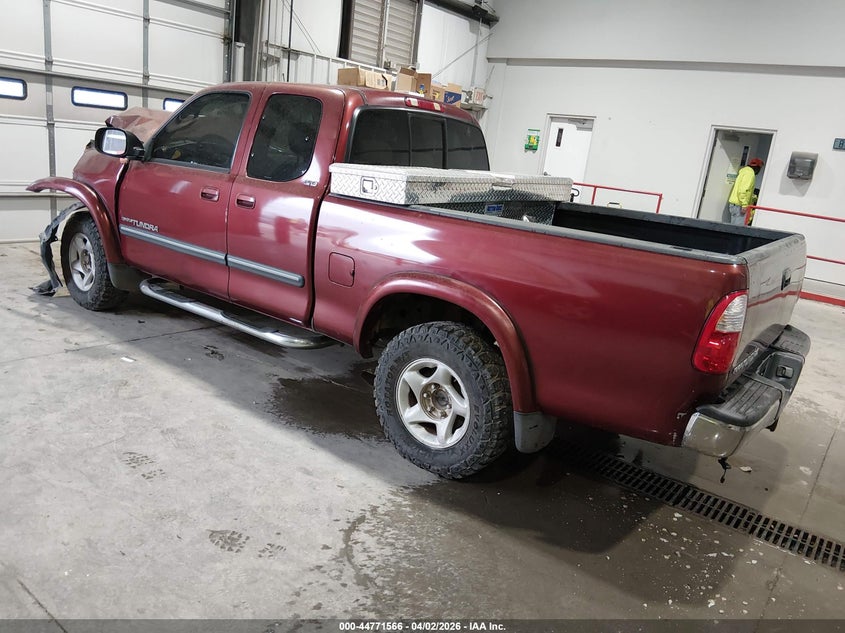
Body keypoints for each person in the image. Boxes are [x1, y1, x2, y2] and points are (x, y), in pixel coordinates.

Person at [727, 158, 763, 225]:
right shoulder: (750, 174)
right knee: (738, 229)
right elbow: (743, 190)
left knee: (733, 228)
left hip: (734, 204)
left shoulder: (744, 171)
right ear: (757, 167)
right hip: (739, 206)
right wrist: (744, 205)